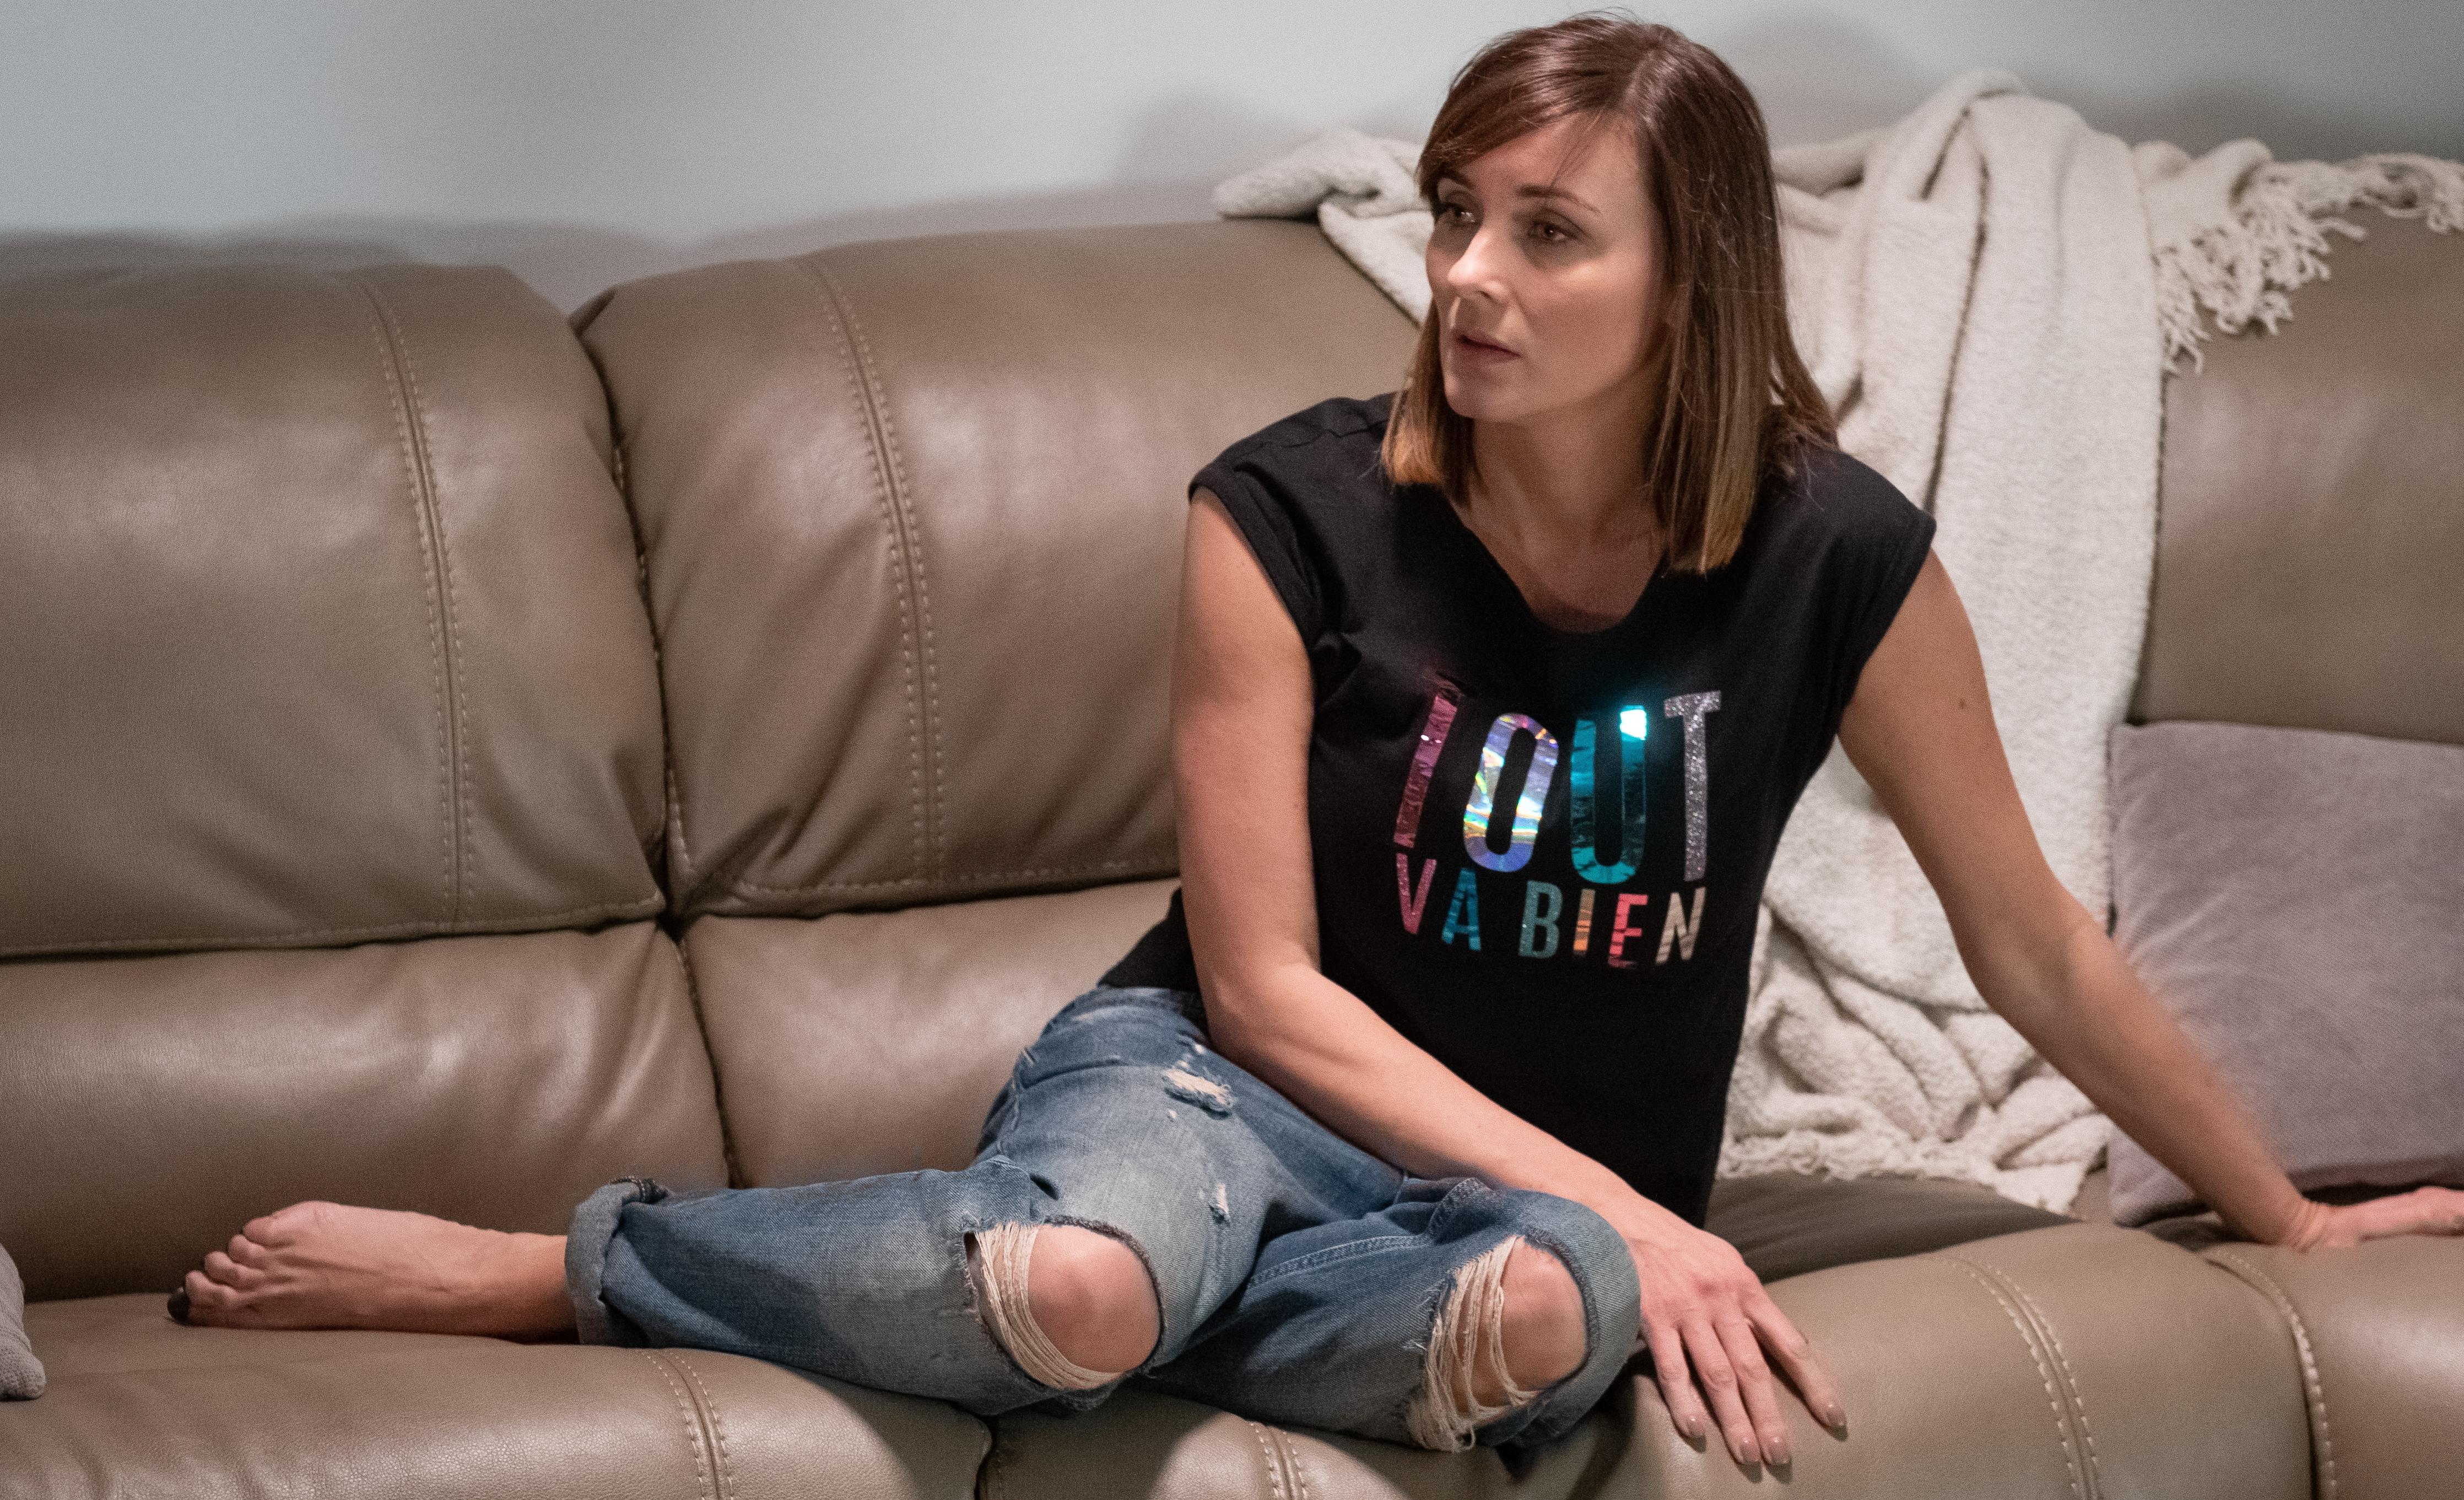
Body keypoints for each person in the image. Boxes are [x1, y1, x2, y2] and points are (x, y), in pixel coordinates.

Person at [167, 10, 2464, 1474]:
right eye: (1459, 215)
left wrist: (2284, 1216)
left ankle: (1138, 1323)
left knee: (1541, 1320)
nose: (1467, 275)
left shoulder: (1831, 553)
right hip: (1213, 1087)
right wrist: (1620, 1217)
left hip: (1525, 1196)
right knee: (1077, 1277)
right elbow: (1264, 992)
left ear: (1692, 283)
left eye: (1547, 234)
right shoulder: (1284, 514)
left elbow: (2031, 943)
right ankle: (576, 1263)